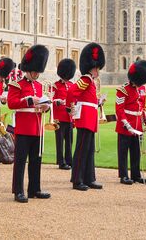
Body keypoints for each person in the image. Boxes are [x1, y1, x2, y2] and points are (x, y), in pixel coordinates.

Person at [8, 45, 50, 203]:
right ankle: (18, 190)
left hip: (37, 127)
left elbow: (41, 104)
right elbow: (12, 104)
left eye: (38, 72)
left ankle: (34, 189)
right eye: (35, 71)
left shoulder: (39, 86)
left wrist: (45, 107)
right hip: (24, 127)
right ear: (28, 70)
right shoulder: (16, 85)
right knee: (20, 161)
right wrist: (29, 100)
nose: (37, 74)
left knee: (36, 160)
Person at [66, 43, 105, 191]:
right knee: (82, 150)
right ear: (92, 68)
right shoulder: (85, 80)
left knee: (89, 150)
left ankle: (89, 178)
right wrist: (69, 109)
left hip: (91, 119)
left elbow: (89, 99)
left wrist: (99, 102)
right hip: (84, 119)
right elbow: (71, 92)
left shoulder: (91, 81)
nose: (98, 71)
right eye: (97, 68)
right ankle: (77, 180)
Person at [115, 60, 146, 185]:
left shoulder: (142, 89)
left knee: (136, 151)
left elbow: (143, 106)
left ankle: (136, 175)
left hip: (137, 125)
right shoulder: (123, 90)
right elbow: (119, 110)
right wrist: (126, 124)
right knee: (123, 152)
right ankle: (124, 175)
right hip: (125, 126)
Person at [53, 59, 76, 170]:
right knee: (60, 140)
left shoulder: (72, 85)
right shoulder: (56, 86)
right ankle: (61, 161)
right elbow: (51, 100)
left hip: (69, 117)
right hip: (59, 117)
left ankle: (69, 160)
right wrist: (58, 101)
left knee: (69, 140)